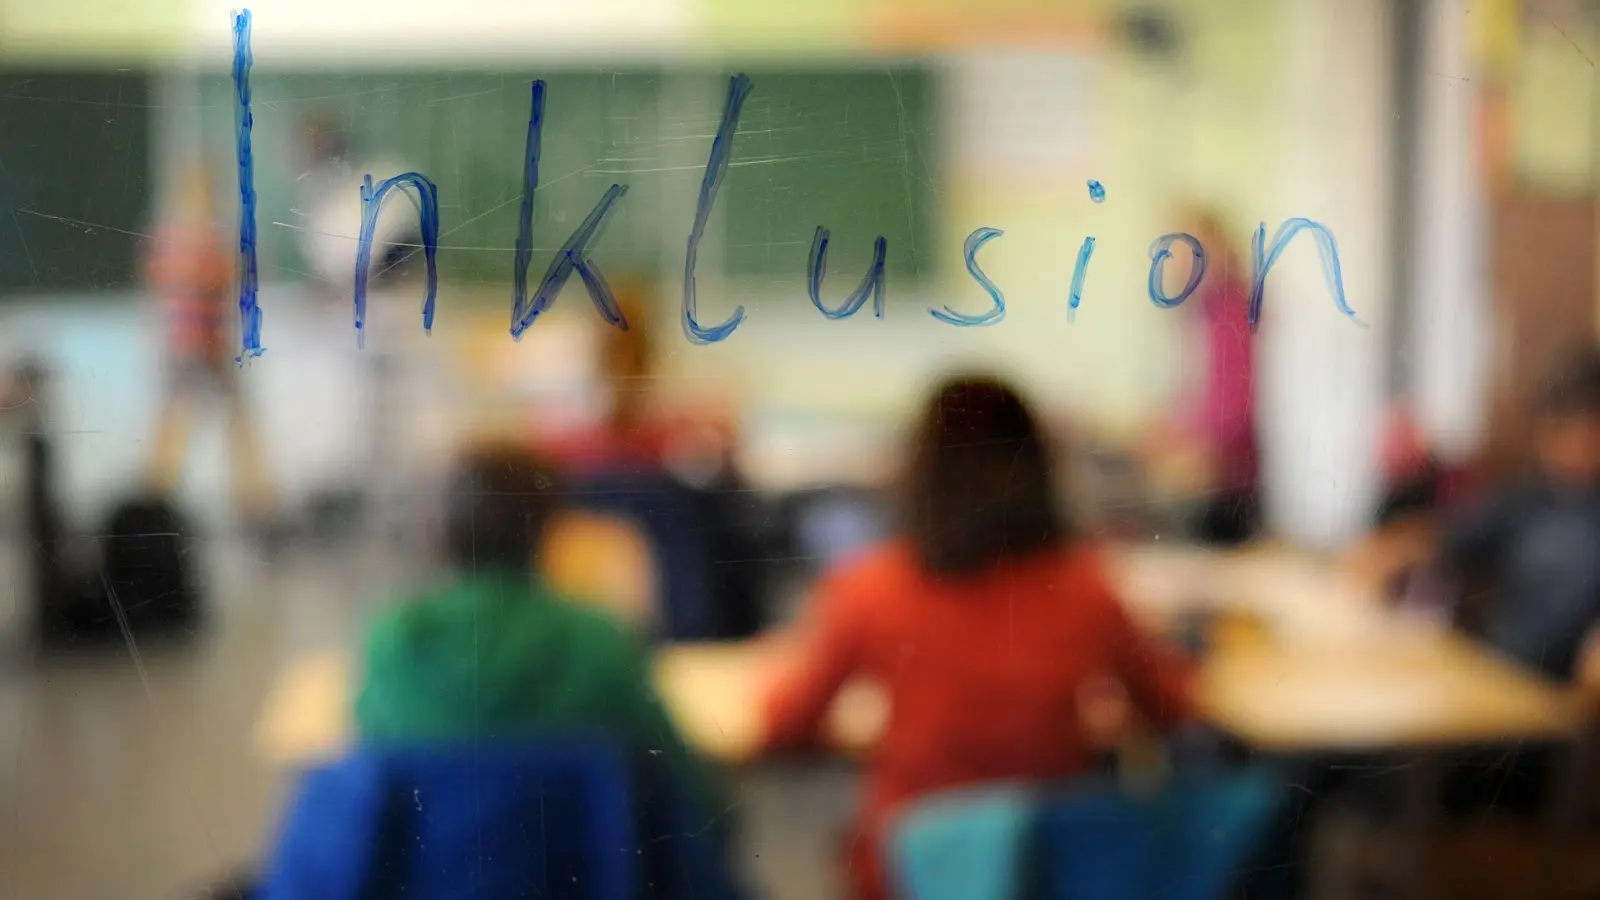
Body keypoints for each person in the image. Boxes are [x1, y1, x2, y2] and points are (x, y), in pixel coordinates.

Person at [760, 375, 1196, 900]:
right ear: (1039, 470)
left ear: (920, 471)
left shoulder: (871, 588)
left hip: (913, 870)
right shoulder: (1087, 589)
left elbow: (784, 724)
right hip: (1039, 867)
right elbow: (1172, 706)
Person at [353, 440, 718, 805]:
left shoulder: (392, 644)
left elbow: (372, 783)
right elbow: (686, 789)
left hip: (436, 860)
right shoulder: (598, 642)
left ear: (436, 528)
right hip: (578, 860)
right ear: (550, 525)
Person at [146, 161, 274, 530]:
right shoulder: (184, 237)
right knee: (180, 426)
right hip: (192, 345)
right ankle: (155, 503)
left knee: (232, 423)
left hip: (208, 344)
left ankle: (255, 502)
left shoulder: (183, 236)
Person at [1146, 209, 1261, 545]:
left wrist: (1181, 437)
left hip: (1224, 478)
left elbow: (1233, 404)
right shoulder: (1202, 313)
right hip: (1215, 471)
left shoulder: (1232, 311)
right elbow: (1195, 392)